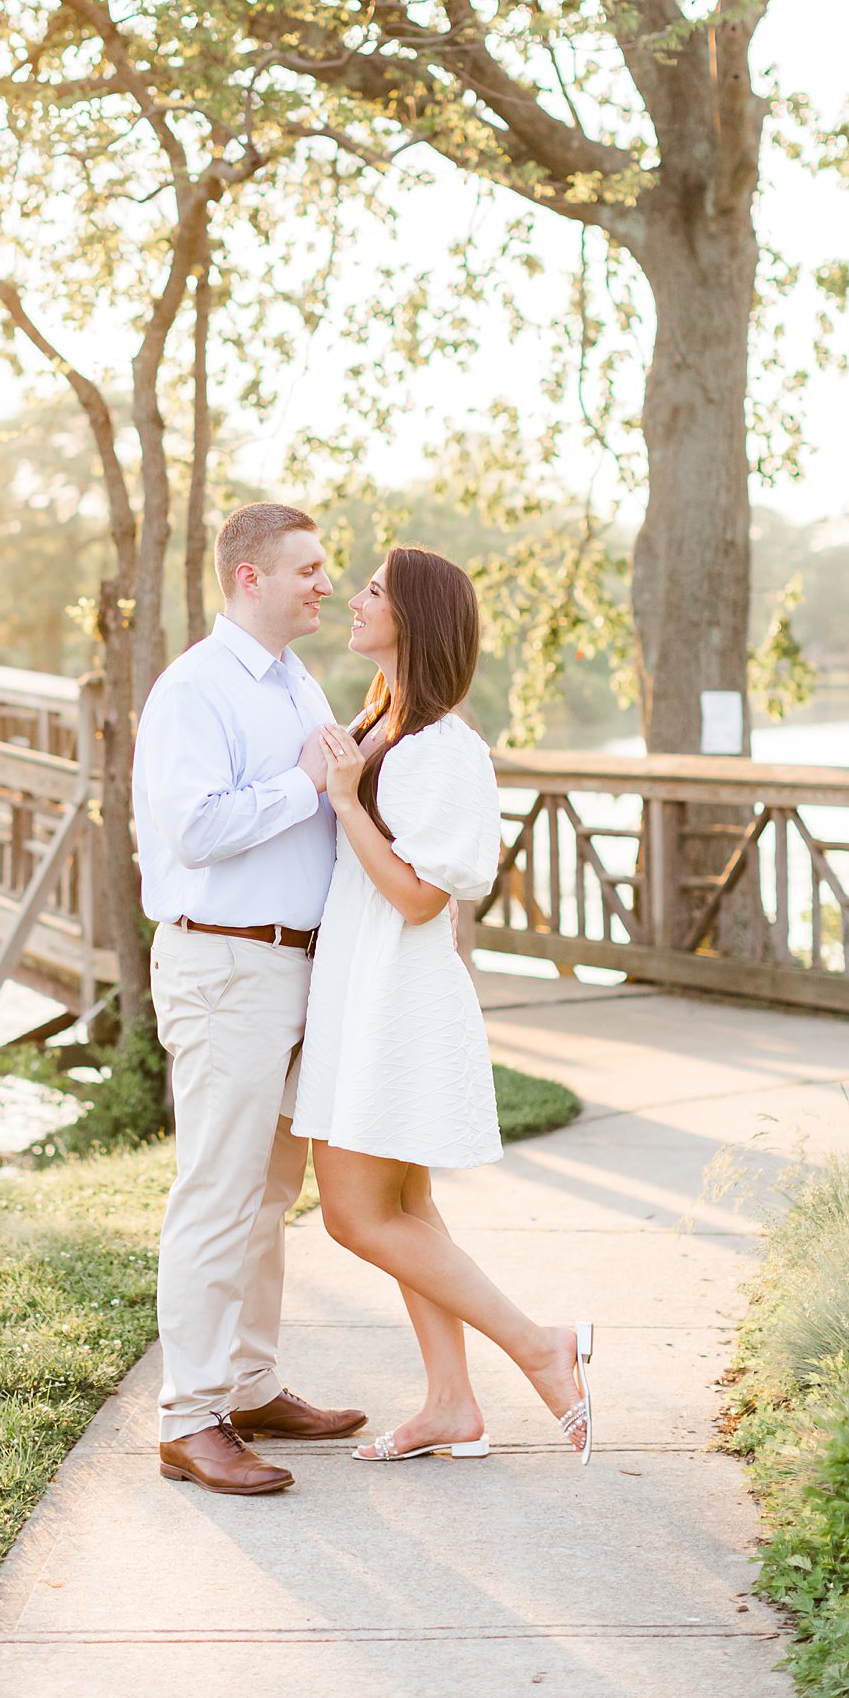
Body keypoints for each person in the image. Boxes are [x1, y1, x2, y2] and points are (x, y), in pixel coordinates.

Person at [291, 545, 594, 1465]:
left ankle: (542, 1347)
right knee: (406, 1208)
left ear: (413, 618)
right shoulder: (384, 722)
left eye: (373, 590)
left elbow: (423, 896)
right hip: (363, 985)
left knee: (354, 1215)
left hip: (396, 996)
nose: (353, 597)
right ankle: (452, 1403)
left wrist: (345, 800)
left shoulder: (441, 748)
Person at [131, 501, 368, 1497]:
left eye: (324, 569)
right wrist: (305, 783)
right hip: (224, 967)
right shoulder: (195, 690)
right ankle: (190, 1419)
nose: (324, 583)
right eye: (306, 569)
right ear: (248, 579)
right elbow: (194, 829)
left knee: (270, 1194)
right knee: (217, 1192)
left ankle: (251, 1385)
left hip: (289, 967)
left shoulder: (294, 679)